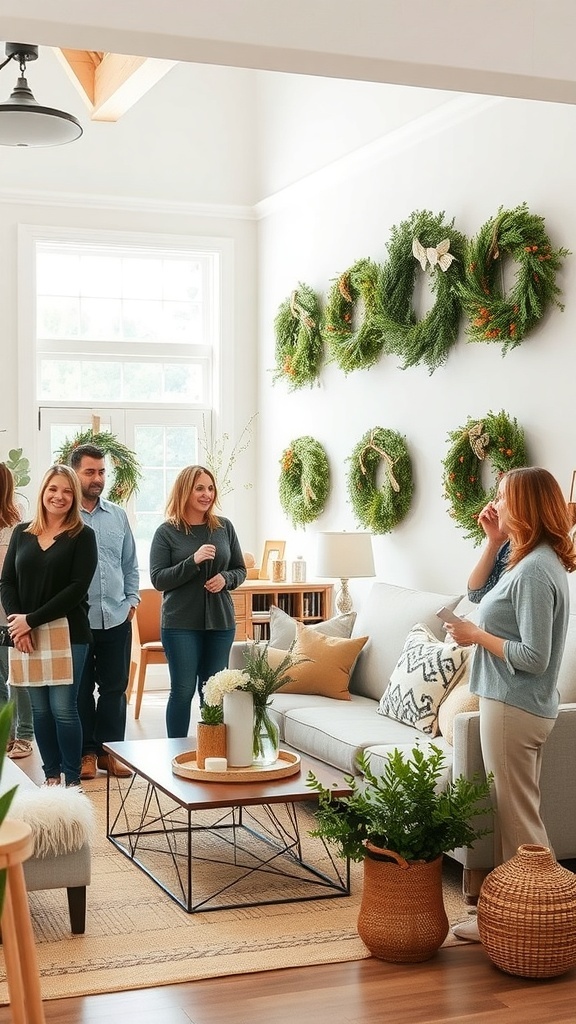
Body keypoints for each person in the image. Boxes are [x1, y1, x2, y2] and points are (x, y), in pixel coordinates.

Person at [446, 467, 576, 942]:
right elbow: (478, 593)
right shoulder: (525, 558)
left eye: (502, 496)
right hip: (513, 705)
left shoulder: (539, 569)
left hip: (515, 706)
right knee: (514, 812)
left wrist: (475, 635)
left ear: (525, 503)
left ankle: (544, 917)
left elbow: (535, 658)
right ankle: (507, 915)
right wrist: (492, 540)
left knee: (518, 819)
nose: (495, 502)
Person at [0, 465, 98, 787]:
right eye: (53, 489)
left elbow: (76, 589)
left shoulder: (83, 536)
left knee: (63, 710)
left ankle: (72, 780)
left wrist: (30, 620)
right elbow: (7, 582)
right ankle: (51, 775)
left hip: (69, 632)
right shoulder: (22, 533)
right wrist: (19, 624)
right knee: (40, 712)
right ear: (43, 491)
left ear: (75, 496)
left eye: (67, 491)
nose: (59, 497)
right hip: (25, 632)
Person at [149, 465, 246, 738]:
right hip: (180, 623)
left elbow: (240, 569)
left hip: (221, 622)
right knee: (182, 690)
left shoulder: (224, 527)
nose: (207, 494)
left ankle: (212, 752)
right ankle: (175, 752)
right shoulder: (166, 532)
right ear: (185, 491)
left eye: (210, 488)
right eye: (199, 488)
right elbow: (158, 579)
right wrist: (192, 561)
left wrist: (226, 579)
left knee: (214, 691)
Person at [69, 443, 140, 780]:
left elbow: (130, 564)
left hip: (115, 616)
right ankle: (86, 753)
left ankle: (110, 753)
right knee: (81, 690)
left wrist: (132, 602)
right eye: (90, 471)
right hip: (76, 620)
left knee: (114, 688)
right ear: (75, 473)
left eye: (101, 472)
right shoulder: (64, 516)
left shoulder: (118, 516)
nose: (97, 478)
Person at [0, 463, 35, 759]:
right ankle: (5, 734)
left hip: (13, 612)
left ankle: (25, 735)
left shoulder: (18, 525)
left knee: (19, 677)